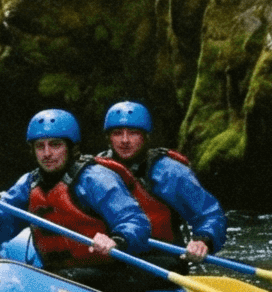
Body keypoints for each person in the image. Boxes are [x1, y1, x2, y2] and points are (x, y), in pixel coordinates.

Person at [0, 109, 151, 292]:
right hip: (59, 275)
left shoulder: (96, 179)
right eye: (40, 146)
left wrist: (117, 240)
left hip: (106, 274)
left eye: (55, 145)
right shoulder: (29, 184)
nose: (47, 153)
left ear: (71, 147)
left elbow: (135, 221)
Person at [95, 101, 227, 263]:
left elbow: (210, 214)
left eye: (133, 133)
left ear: (145, 136)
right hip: (109, 256)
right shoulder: (94, 171)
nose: (125, 140)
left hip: (160, 258)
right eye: (117, 133)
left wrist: (203, 240)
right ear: (108, 137)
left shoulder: (170, 172)